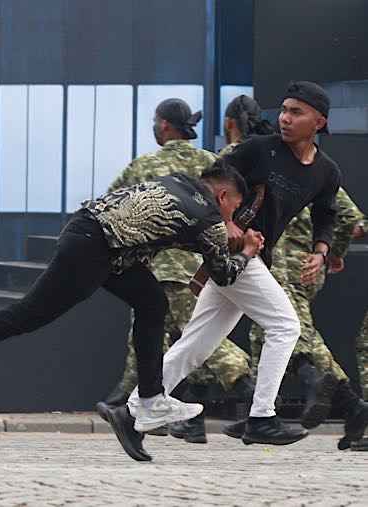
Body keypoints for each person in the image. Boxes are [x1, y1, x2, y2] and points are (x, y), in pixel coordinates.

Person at [0, 160, 263, 461]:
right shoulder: (209, 219)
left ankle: (151, 399)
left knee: (152, 301)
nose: (232, 216)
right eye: (234, 208)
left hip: (98, 239)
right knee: (27, 315)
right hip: (94, 248)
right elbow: (224, 275)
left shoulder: (176, 182)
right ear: (222, 196)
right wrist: (246, 249)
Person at [126, 81, 346, 450]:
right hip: (235, 252)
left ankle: (133, 407)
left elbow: (327, 215)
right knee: (285, 325)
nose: (286, 118)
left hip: (251, 255)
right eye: (284, 110)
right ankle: (262, 417)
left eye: (297, 112)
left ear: (319, 122)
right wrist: (226, 220)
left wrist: (320, 251)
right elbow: (209, 180)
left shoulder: (326, 171)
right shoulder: (261, 148)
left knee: (197, 343)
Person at [97, 99, 254, 444]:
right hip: (199, 266)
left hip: (159, 269)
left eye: (156, 122)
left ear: (166, 125)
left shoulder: (146, 164)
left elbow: (110, 206)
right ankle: (138, 410)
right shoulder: (210, 163)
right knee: (152, 342)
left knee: (196, 342)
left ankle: (249, 386)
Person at [227, 188, 366, 451]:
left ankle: (344, 400)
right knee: (265, 333)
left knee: (293, 333)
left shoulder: (261, 167)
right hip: (306, 264)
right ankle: (258, 412)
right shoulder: (314, 173)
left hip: (278, 265)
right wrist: (332, 253)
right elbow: (349, 217)